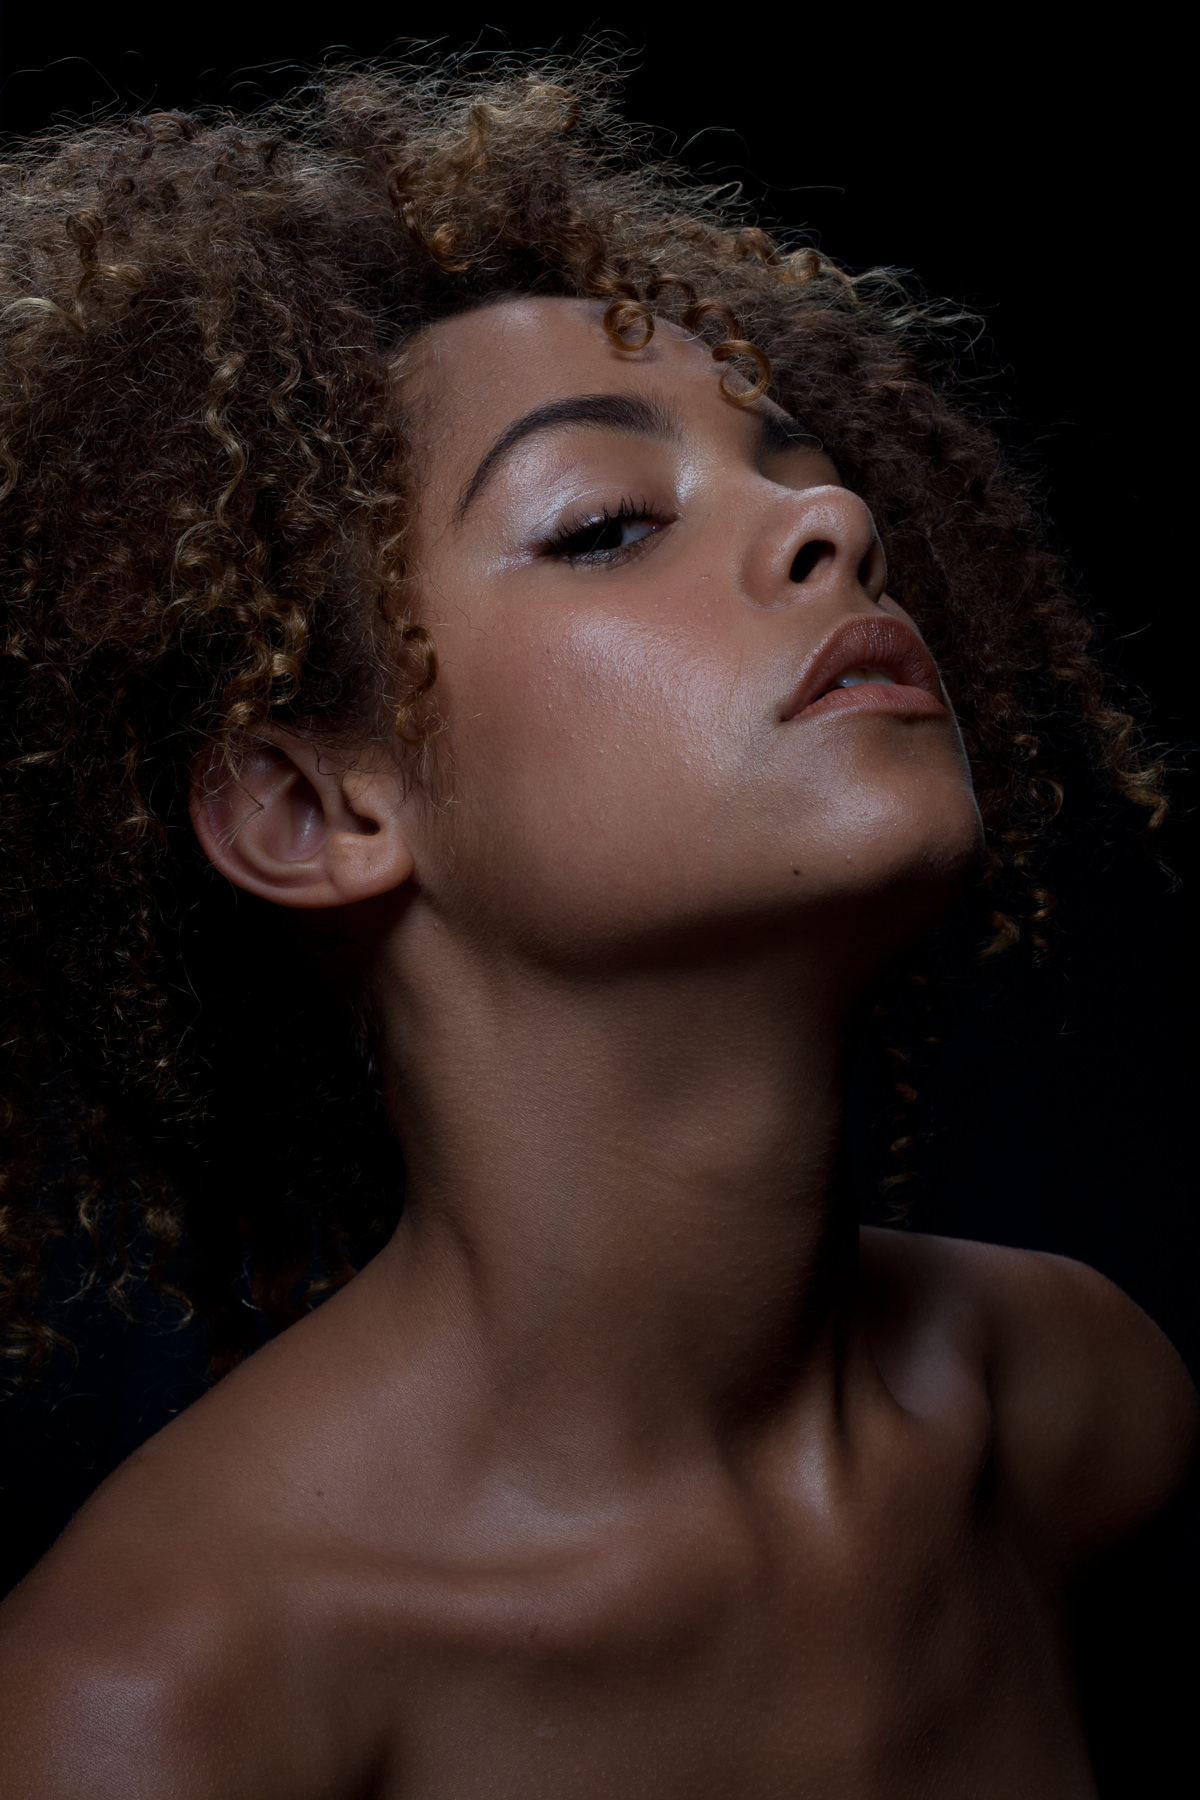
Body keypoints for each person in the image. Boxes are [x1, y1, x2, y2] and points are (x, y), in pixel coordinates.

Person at [0, 53, 1193, 1798]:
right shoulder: (162, 1707)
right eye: (606, 524)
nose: (835, 521)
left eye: (803, 470)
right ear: (315, 812)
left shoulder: (1078, 1417)